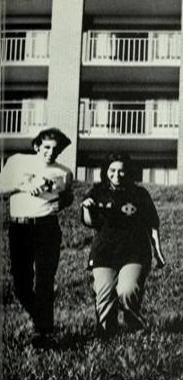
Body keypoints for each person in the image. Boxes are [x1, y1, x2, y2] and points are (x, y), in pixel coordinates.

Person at [0, 128, 73, 348]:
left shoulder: (64, 172)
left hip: (47, 228)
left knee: (44, 280)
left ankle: (43, 333)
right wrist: (24, 186)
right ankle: (42, 320)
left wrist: (63, 202)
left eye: (56, 148)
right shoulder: (17, 161)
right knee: (21, 284)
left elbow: (67, 195)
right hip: (20, 227)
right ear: (37, 146)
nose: (51, 152)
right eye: (47, 147)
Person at [81, 152, 166, 338]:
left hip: (135, 252)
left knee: (127, 291)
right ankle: (107, 335)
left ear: (128, 172)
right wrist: (86, 208)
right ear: (106, 171)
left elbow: (152, 224)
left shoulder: (139, 194)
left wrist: (158, 252)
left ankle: (133, 322)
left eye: (121, 171)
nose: (117, 175)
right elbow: (89, 222)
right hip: (104, 252)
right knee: (104, 294)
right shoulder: (97, 192)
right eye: (112, 170)